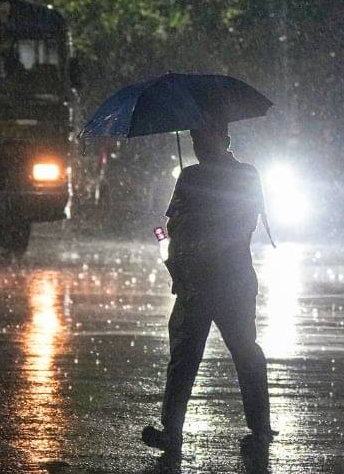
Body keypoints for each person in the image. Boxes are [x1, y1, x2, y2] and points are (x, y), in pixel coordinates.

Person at [141, 122, 276, 458]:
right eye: (194, 138)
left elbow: (243, 222)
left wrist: (198, 230)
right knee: (186, 356)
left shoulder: (240, 175)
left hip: (225, 281)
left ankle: (260, 428)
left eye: (203, 137)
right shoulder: (193, 176)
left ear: (224, 139)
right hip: (203, 281)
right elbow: (174, 225)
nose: (198, 144)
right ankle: (172, 430)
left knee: (241, 351)